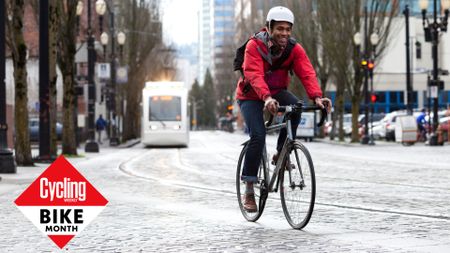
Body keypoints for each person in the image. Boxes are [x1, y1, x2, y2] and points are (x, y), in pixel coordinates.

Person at [235, 6, 332, 212]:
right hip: (251, 95)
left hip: (276, 91)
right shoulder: (255, 46)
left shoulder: (294, 48)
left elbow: (307, 73)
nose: (284, 33)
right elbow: (254, 74)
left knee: (295, 108)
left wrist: (317, 97)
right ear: (269, 27)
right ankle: (249, 188)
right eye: (280, 28)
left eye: (288, 29)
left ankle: (281, 153)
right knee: (258, 136)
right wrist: (267, 98)